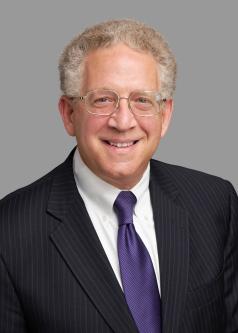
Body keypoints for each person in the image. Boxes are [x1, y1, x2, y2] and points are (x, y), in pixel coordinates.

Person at [0, 19, 237, 333]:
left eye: (142, 100)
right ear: (69, 114)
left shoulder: (215, 202)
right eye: (102, 100)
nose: (123, 121)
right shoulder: (10, 232)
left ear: (165, 115)